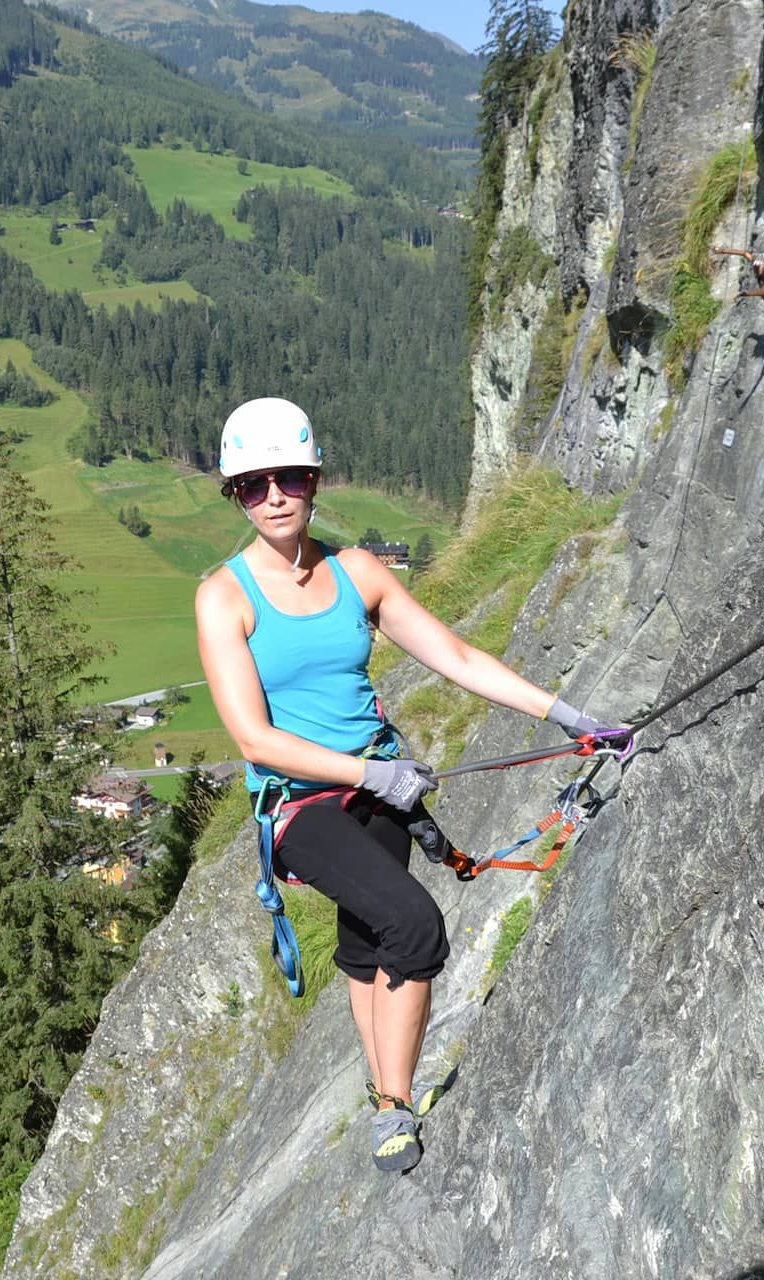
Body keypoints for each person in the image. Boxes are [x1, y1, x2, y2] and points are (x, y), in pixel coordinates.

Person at [194, 397, 607, 1174]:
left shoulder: (357, 572)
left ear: (314, 481)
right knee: (415, 926)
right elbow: (254, 737)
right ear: (236, 496)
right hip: (302, 802)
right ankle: (393, 1102)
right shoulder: (224, 596)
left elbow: (453, 654)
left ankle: (381, 1084)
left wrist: (561, 711)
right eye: (253, 485)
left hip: (378, 783)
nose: (274, 495)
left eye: (288, 477)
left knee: (367, 940)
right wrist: (371, 771)